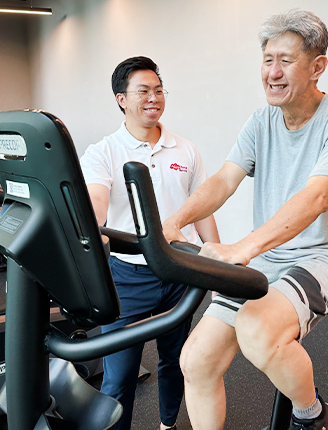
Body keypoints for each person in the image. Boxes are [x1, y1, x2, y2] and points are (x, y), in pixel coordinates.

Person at [162, 10, 328, 430]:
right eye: (267, 59)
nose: (272, 72)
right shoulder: (260, 121)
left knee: (258, 333)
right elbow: (223, 180)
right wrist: (174, 221)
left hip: (324, 256)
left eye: (285, 60)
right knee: (195, 361)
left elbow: (317, 197)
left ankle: (313, 415)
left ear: (317, 67)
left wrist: (243, 248)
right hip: (270, 255)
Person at [79, 56, 220, 430]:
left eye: (159, 90)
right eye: (143, 91)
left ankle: (168, 424)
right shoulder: (103, 152)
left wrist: (218, 265)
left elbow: (202, 210)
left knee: (175, 361)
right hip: (127, 277)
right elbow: (96, 202)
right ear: (120, 99)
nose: (153, 98)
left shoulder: (185, 150)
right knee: (118, 375)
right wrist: (89, 219)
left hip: (180, 272)